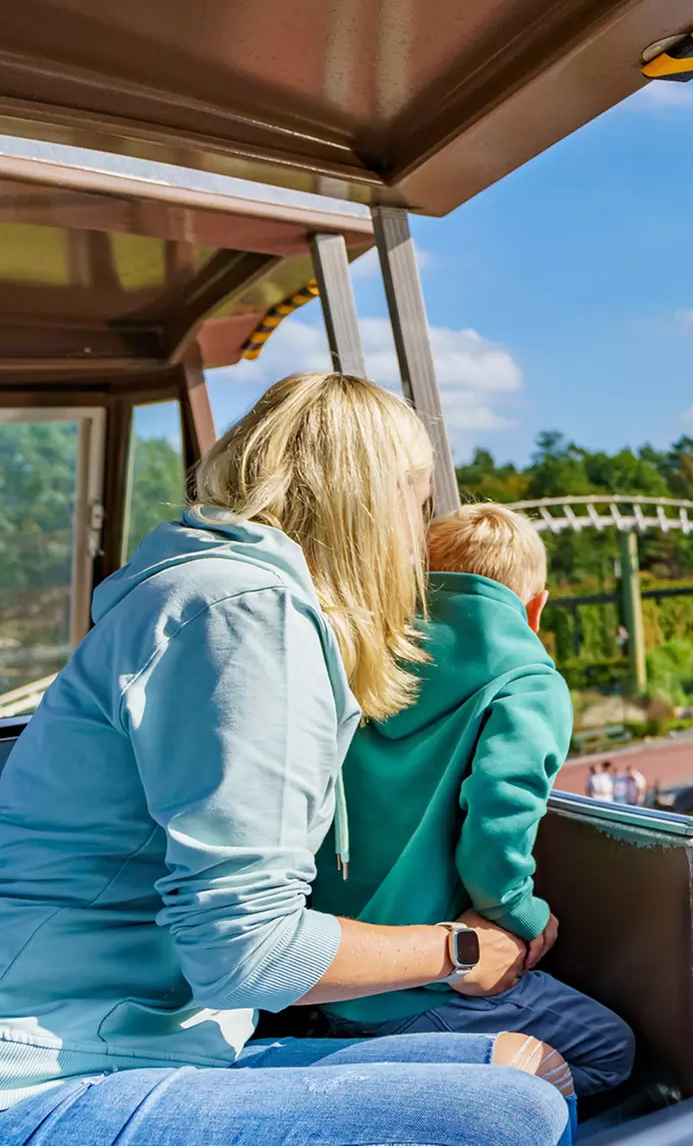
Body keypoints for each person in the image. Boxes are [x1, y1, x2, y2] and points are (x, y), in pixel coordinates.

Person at [0, 374, 572, 1144]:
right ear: (373, 502)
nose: (417, 533)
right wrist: (462, 947)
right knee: (518, 1108)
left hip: (150, 1037)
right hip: (48, 1070)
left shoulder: (216, 594)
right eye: (416, 499)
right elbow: (249, 952)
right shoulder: (245, 614)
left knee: (528, 1064)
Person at [312, 504, 636, 1097]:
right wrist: (522, 916)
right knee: (611, 1053)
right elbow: (498, 825)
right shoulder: (528, 680)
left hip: (326, 972)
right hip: (421, 991)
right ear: (535, 608)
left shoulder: (367, 657)